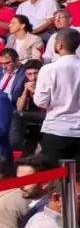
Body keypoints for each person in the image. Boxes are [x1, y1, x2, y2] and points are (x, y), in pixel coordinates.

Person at [33, 27, 80, 160]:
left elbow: (41, 101)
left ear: (59, 44)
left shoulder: (48, 69)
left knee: (55, 176)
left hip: (56, 129)